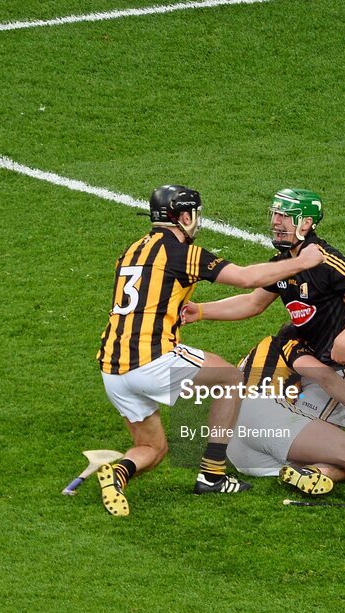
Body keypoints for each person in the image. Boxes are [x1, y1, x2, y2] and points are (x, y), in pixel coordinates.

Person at [95, 184, 325, 517]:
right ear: (184, 216)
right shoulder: (182, 252)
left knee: (152, 448)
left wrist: (193, 310)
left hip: (112, 371)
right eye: (195, 215)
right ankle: (213, 474)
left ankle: (118, 472)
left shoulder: (131, 251)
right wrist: (302, 262)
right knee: (231, 377)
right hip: (151, 359)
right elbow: (246, 278)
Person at [182, 188, 345, 467]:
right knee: (266, 427)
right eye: (275, 214)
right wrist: (202, 310)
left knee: (291, 440)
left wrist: (344, 339)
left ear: (306, 223)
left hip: (337, 370)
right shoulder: (284, 263)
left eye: (285, 216)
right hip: (302, 359)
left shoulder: (327, 261)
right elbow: (253, 303)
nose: (276, 222)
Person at [224, 333, 345, 503]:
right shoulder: (292, 346)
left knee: (344, 465)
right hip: (263, 413)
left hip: (236, 451)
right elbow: (325, 377)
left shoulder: (255, 354)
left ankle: (315, 473)